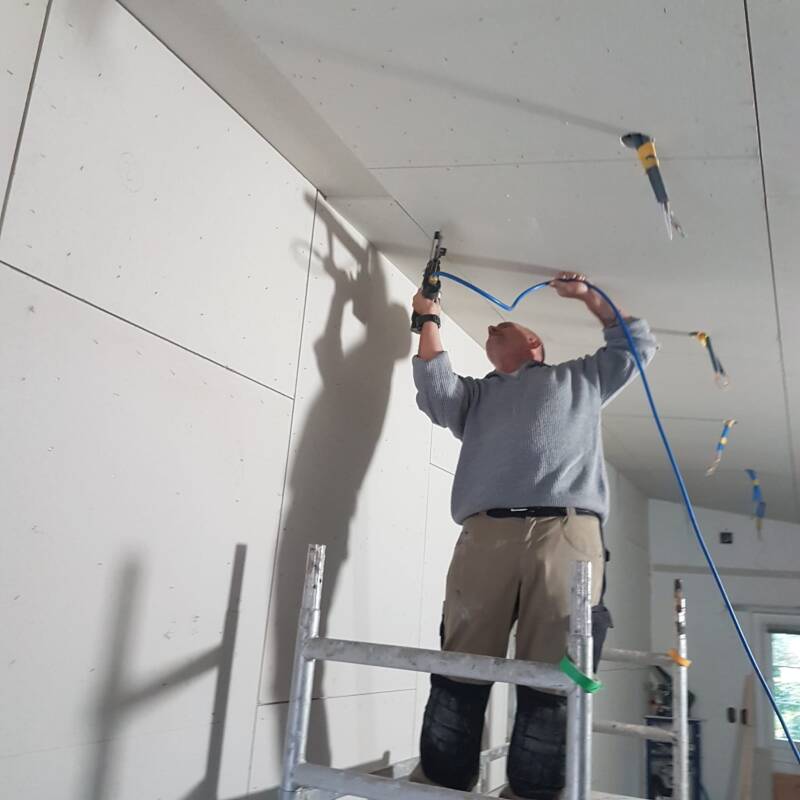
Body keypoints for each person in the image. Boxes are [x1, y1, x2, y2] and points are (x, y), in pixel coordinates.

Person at [409, 272, 658, 799]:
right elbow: (435, 390)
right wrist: (427, 316)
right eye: (489, 331)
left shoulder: (581, 378)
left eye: (504, 326)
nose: (491, 328)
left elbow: (636, 347)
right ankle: (442, 782)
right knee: (460, 663)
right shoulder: (476, 396)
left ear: (535, 343)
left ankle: (532, 792)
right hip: (487, 533)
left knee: (553, 673)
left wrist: (588, 297)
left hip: (567, 533)